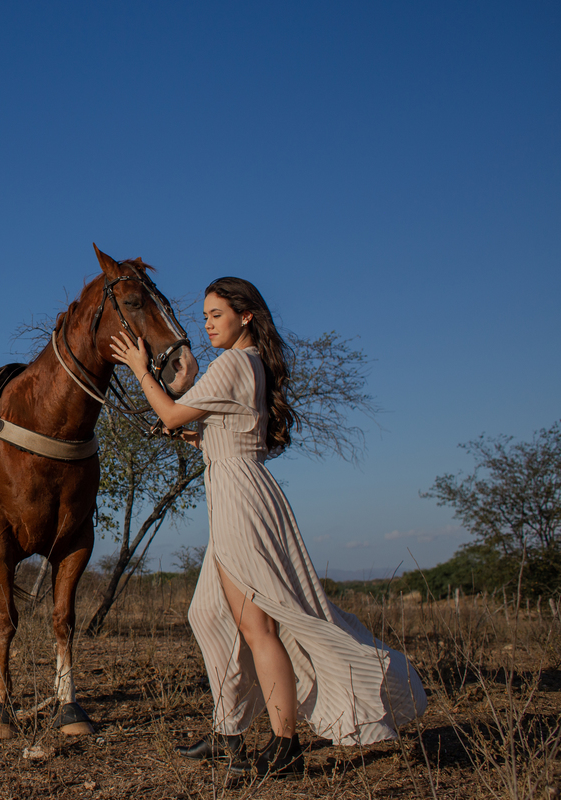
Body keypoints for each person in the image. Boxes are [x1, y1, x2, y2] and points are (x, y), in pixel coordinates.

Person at [109, 277, 427, 778]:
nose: (208, 324)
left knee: (259, 626)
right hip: (240, 489)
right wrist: (195, 436)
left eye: (217, 315)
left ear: (246, 316)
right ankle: (229, 731)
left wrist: (138, 370)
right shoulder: (249, 364)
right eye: (207, 316)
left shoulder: (234, 363)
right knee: (210, 612)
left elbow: (169, 410)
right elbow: (229, 437)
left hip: (240, 501)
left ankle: (284, 742)